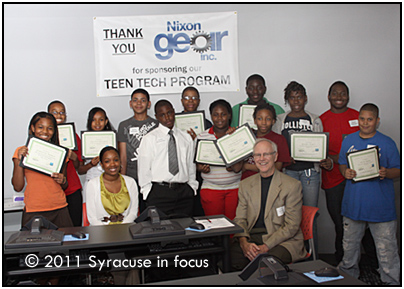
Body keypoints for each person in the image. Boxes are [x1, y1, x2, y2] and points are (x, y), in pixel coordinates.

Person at [337, 103, 400, 285]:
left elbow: (399, 169)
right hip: (353, 205)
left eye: (370, 119)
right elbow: (342, 163)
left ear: (377, 121)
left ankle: (392, 281)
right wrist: (344, 172)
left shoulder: (387, 143)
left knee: (387, 250)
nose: (365, 123)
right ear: (358, 120)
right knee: (349, 249)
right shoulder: (348, 140)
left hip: (381, 207)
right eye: (362, 119)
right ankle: (348, 279)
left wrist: (386, 173)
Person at [319, 81, 377, 266]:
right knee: (340, 224)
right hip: (333, 180)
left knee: (364, 221)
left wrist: (337, 159)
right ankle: (342, 263)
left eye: (343, 93)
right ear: (328, 97)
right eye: (335, 93)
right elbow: (317, 149)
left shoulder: (358, 116)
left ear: (348, 96)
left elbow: (369, 145)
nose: (339, 97)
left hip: (358, 180)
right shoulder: (321, 120)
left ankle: (372, 262)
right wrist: (327, 160)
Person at [231, 139, 306, 271]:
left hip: (282, 240)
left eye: (266, 154)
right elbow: (240, 219)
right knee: (230, 260)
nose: (262, 159)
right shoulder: (245, 185)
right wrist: (244, 243)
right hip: (252, 238)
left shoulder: (292, 185)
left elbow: (291, 226)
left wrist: (265, 246)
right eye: (257, 155)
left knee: (266, 264)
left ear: (275, 156)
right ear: (253, 158)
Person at [272, 81, 323, 258]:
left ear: (305, 98)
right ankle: (293, 254)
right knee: (289, 216)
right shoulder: (280, 120)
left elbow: (320, 146)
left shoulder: (315, 120)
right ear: (287, 100)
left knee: (310, 215)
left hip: (310, 173)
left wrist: (320, 156)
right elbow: (276, 145)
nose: (296, 100)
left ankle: (313, 254)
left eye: (299, 96)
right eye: (292, 97)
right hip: (288, 173)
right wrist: (286, 157)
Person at [85, 146, 139, 285]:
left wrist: (122, 228)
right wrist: (111, 232)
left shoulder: (130, 182)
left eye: (115, 160)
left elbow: (133, 212)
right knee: (120, 261)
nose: (113, 164)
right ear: (101, 165)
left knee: (134, 261)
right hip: (102, 233)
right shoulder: (92, 184)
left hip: (126, 230)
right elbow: (92, 218)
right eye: (107, 161)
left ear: (120, 162)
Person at [12, 112, 73, 228]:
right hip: (34, 210)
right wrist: (19, 161)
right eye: (40, 127)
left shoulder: (60, 154)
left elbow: (64, 185)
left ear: (54, 131)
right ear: (32, 128)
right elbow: (17, 186)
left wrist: (63, 180)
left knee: (66, 244)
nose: (45, 132)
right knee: (35, 246)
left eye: (50, 128)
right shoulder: (21, 151)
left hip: (59, 208)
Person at [137, 100, 198, 217]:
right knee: (161, 232)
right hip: (159, 193)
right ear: (156, 117)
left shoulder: (185, 138)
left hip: (183, 193)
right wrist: (147, 192)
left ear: (174, 112)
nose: (167, 117)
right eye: (162, 115)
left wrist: (192, 187)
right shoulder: (150, 138)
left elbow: (191, 165)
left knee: (185, 230)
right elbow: (144, 169)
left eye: (169, 113)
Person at [196, 99, 243, 220]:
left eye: (223, 114)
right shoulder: (202, 136)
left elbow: (240, 165)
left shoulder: (237, 135)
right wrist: (200, 168)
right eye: (215, 115)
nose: (220, 118)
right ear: (210, 116)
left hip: (235, 188)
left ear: (229, 115)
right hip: (211, 189)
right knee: (215, 227)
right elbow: (195, 163)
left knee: (235, 226)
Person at [47, 100, 83, 226]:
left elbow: (79, 167)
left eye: (62, 112)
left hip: (72, 189)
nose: (59, 115)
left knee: (75, 227)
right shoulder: (43, 137)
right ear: (48, 114)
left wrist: (73, 157)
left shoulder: (73, 136)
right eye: (54, 112)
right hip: (52, 190)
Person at [180, 86, 212, 216]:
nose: (190, 101)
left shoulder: (208, 123)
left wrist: (196, 141)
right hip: (183, 174)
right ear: (182, 101)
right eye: (187, 98)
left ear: (199, 101)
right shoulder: (174, 122)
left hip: (203, 175)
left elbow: (211, 149)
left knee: (200, 211)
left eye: (194, 98)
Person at [241, 103, 290, 180]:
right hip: (248, 181)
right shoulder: (247, 137)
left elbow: (277, 168)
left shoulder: (279, 139)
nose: (263, 122)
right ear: (255, 121)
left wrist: (247, 166)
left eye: (268, 119)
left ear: (273, 121)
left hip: (271, 182)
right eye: (260, 119)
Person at [78, 107, 114, 203]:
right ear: (89, 122)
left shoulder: (113, 140)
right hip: (91, 183)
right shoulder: (84, 141)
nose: (97, 123)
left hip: (110, 183)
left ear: (106, 121)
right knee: (91, 213)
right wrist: (91, 164)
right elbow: (80, 170)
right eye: (93, 120)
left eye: (101, 120)